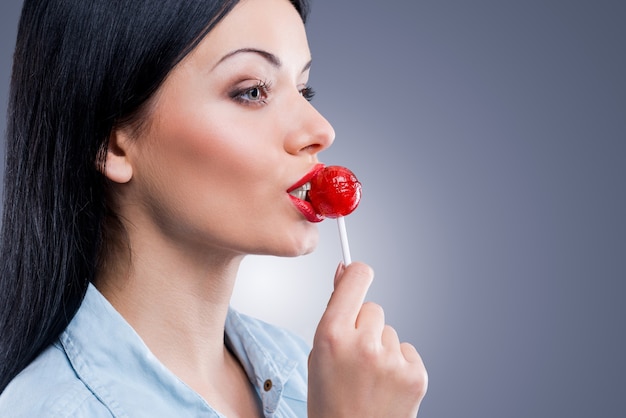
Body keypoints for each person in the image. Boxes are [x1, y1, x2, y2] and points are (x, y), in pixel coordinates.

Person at [0, 0, 428, 416]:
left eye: (303, 89)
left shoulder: (312, 374)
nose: (321, 129)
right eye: (252, 91)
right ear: (111, 143)